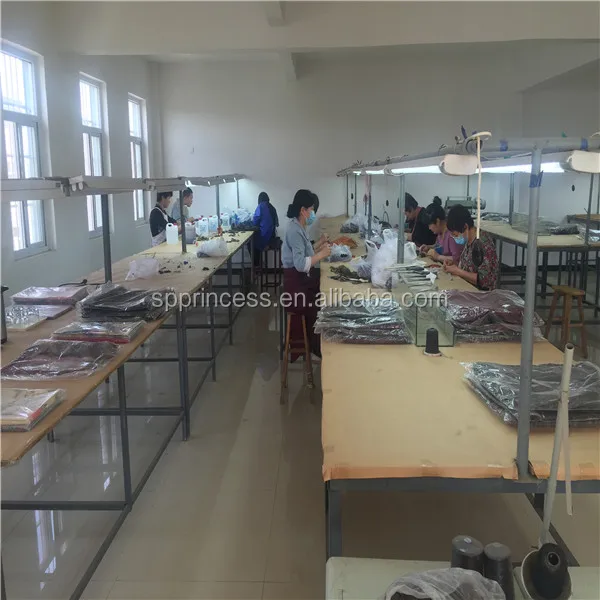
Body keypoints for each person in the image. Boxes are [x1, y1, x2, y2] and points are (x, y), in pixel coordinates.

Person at [282, 189, 331, 358]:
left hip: (300, 280)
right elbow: (301, 264)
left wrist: (320, 244)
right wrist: (322, 254)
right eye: (312, 209)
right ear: (303, 210)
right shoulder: (295, 230)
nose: (313, 213)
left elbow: (305, 253)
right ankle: (317, 346)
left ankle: (318, 345)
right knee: (323, 301)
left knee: (324, 287)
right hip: (296, 288)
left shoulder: (299, 226)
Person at [443, 204, 499, 290]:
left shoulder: (482, 244)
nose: (455, 238)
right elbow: (468, 267)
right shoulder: (469, 240)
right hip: (467, 288)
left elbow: (484, 280)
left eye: (456, 235)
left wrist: (457, 271)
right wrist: (453, 265)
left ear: (465, 227)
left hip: (481, 294)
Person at [421, 196, 463, 264]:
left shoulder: (451, 235)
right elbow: (440, 246)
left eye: (429, 225)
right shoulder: (440, 233)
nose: (429, 228)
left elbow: (457, 259)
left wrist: (438, 257)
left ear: (437, 221)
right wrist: (429, 247)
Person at [253, 192, 278, 266]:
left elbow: (255, 220)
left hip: (265, 237)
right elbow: (277, 223)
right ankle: (259, 263)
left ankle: (256, 264)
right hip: (272, 236)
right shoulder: (272, 207)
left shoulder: (261, 206)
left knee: (251, 243)